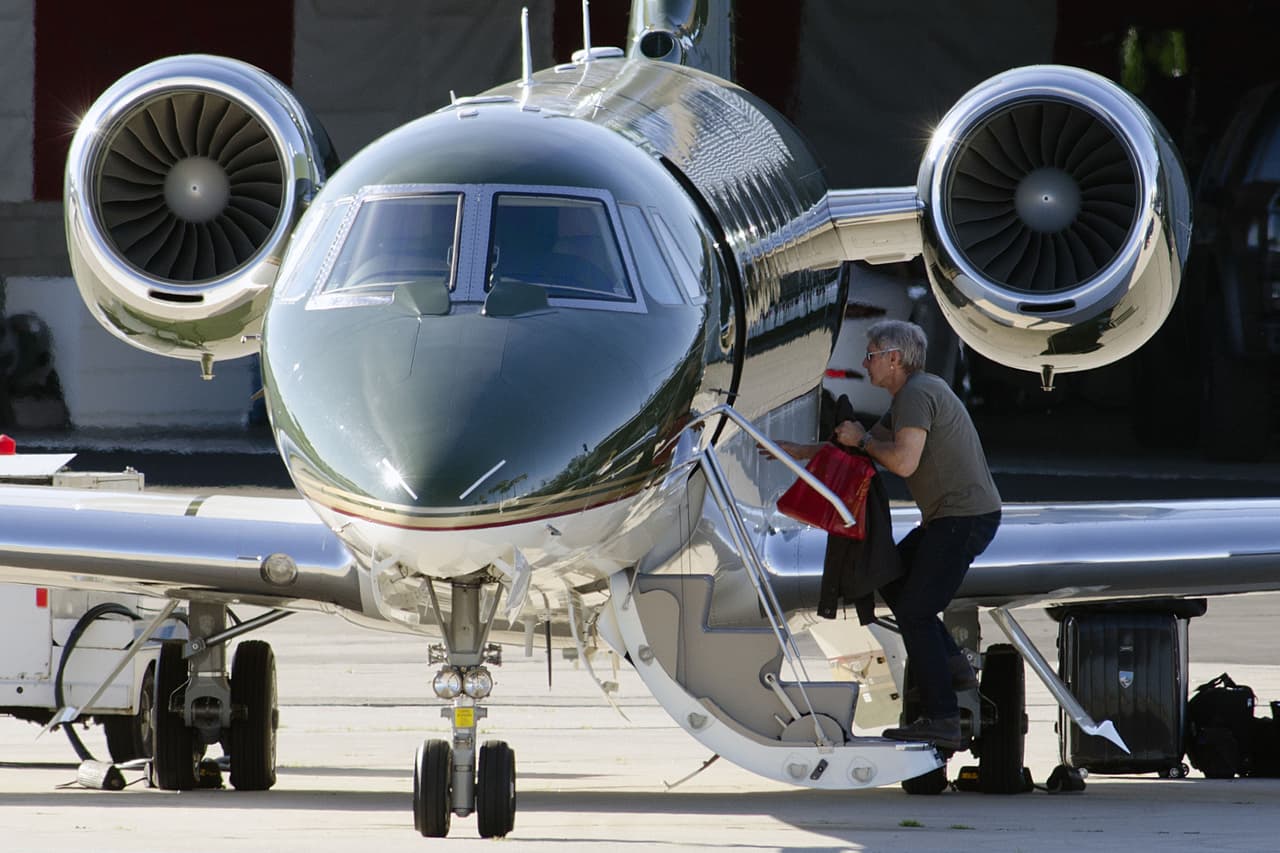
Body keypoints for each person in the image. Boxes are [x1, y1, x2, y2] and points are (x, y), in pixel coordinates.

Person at [830, 319, 1001, 751]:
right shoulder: (912, 394)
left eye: (870, 355)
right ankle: (955, 668)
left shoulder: (917, 394)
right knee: (887, 571)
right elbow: (863, 446)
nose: (864, 364)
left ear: (894, 358)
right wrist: (792, 451)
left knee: (917, 611)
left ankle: (942, 718)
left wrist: (863, 437)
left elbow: (902, 462)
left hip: (962, 518)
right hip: (950, 518)